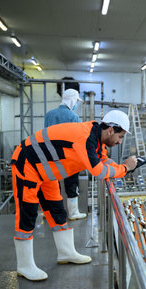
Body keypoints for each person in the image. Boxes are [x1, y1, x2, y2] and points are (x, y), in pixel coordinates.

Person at [11, 110, 137, 281]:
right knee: (28, 213)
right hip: (27, 165)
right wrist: (125, 169)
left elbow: (102, 160)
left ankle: (66, 253)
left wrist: (121, 165)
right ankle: (24, 266)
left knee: (56, 209)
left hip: (46, 171)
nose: (119, 142)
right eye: (120, 137)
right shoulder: (85, 138)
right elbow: (98, 170)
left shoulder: (97, 140)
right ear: (110, 131)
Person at [44, 78, 84, 220]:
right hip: (69, 157)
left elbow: (45, 135)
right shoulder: (74, 116)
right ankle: (73, 213)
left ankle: (51, 212)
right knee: (71, 183)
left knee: (52, 184)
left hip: (50, 155)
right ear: (73, 101)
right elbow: (78, 139)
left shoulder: (49, 114)